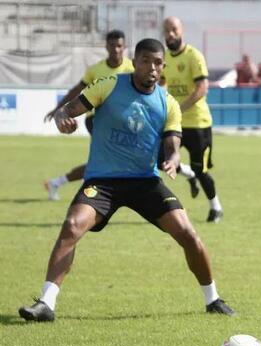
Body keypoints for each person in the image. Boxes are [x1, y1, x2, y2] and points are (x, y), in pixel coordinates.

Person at [18, 38, 235, 323]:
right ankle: (46, 303)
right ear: (135, 62)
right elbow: (69, 109)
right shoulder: (109, 85)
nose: (152, 68)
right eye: (146, 61)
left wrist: (172, 159)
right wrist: (62, 117)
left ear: (163, 67)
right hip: (103, 182)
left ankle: (213, 299)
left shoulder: (168, 103)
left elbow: (172, 142)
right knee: (72, 226)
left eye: (157, 63)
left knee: (188, 234)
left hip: (145, 182)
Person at [43, 30, 134, 201]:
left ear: (124, 47)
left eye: (119, 46)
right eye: (112, 45)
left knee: (107, 162)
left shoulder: (132, 68)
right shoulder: (96, 70)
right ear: (106, 46)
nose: (116, 49)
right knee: (109, 161)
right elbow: (77, 91)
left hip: (122, 122)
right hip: (97, 120)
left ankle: (57, 183)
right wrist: (58, 109)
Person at [161, 17, 224, 222]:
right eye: (167, 30)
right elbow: (161, 85)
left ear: (182, 31)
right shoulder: (164, 59)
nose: (170, 34)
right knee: (165, 161)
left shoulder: (193, 56)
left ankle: (216, 207)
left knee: (201, 169)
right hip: (175, 124)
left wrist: (178, 108)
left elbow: (202, 88)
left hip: (198, 124)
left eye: (174, 29)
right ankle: (190, 176)